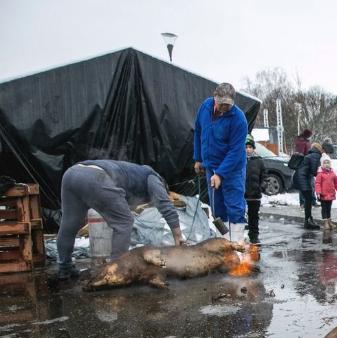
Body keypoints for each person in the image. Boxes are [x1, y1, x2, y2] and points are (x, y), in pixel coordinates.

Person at [57, 160, 183, 280]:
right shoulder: (153, 178)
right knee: (124, 222)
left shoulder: (135, 173)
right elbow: (165, 205)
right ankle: (116, 270)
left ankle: (64, 268)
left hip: (72, 174)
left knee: (70, 224)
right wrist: (178, 237)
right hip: (96, 177)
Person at [193, 82, 248, 243]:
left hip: (232, 170)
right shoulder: (205, 107)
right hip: (211, 166)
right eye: (221, 103)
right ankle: (223, 243)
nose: (224, 107)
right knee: (217, 207)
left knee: (234, 206)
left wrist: (220, 174)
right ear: (214, 97)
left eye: (227, 105)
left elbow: (236, 151)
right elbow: (198, 131)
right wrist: (198, 159)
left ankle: (237, 244)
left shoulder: (238, 119)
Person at [293, 142, 323, 229]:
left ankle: (309, 220)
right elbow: (314, 171)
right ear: (319, 149)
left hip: (300, 178)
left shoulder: (310, 155)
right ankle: (308, 221)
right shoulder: (315, 156)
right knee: (308, 200)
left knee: (308, 200)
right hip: (303, 179)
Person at [245, 134, 265, 244]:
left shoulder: (259, 161)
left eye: (250, 147)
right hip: (243, 194)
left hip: (255, 194)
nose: (248, 149)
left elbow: (264, 175)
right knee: (241, 216)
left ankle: (254, 235)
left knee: (254, 216)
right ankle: (241, 234)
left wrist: (260, 187)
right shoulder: (240, 160)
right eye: (246, 147)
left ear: (253, 149)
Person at [315, 158, 337, 231]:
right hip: (323, 194)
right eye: (325, 163)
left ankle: (329, 221)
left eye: (328, 163)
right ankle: (325, 222)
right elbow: (317, 184)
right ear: (322, 165)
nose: (327, 164)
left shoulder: (333, 173)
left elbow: (336, 183)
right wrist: (318, 193)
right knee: (324, 209)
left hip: (331, 194)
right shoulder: (320, 174)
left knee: (329, 209)